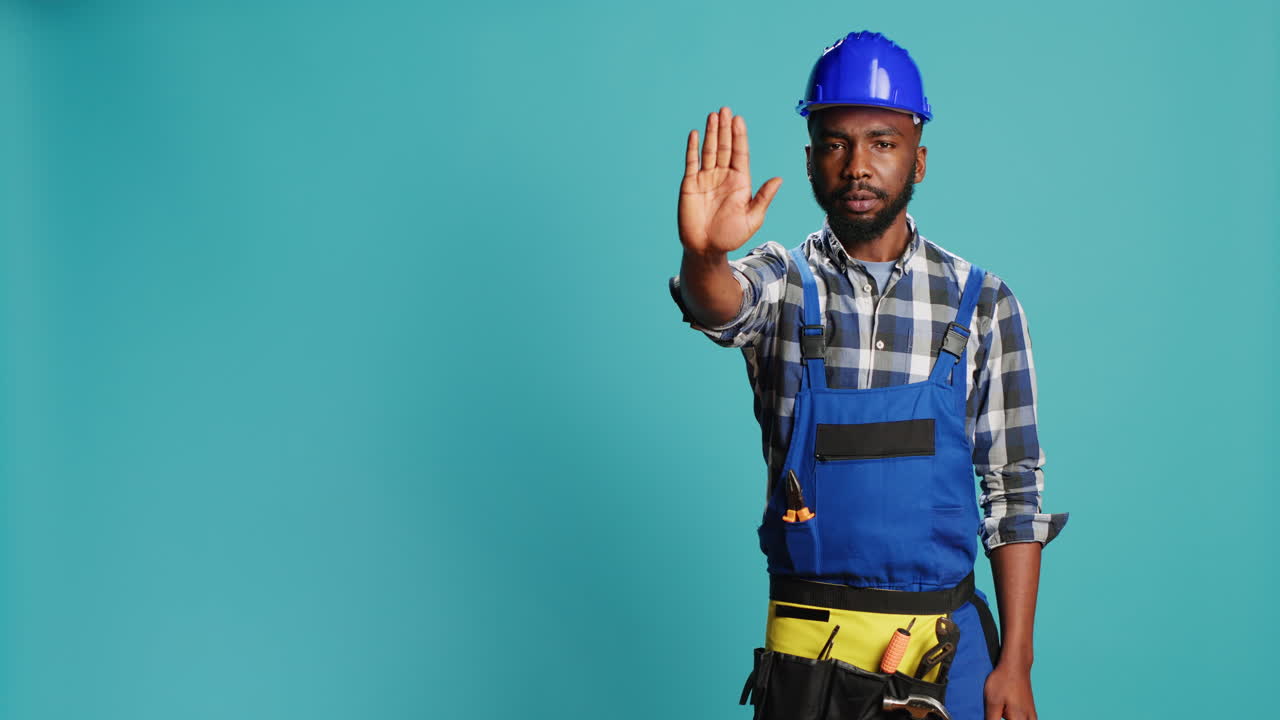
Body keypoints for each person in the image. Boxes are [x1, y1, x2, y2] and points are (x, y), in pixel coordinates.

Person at [668, 32, 1067, 720]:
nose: (857, 165)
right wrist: (702, 251)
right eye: (835, 143)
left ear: (919, 159)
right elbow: (719, 306)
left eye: (881, 142)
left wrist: (1016, 664)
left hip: (945, 656)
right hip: (809, 664)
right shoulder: (782, 281)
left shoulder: (983, 303)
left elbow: (1014, 492)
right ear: (811, 160)